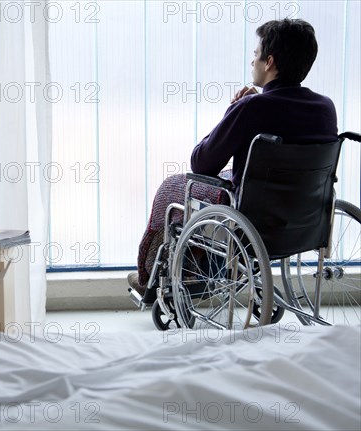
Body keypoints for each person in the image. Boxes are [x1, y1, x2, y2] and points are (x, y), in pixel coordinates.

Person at [129, 18, 338, 297]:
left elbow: (202, 163)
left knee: (174, 188)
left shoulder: (252, 107)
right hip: (305, 221)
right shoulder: (326, 108)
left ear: (270, 62)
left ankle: (154, 281)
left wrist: (236, 109)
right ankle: (194, 274)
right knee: (221, 189)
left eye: (255, 55)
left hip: (252, 225)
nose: (252, 61)